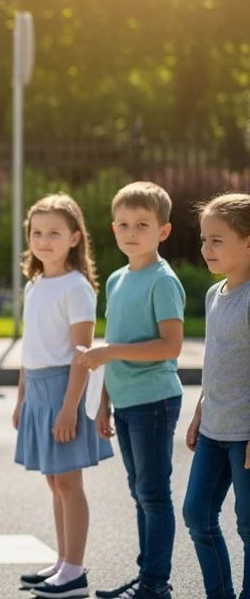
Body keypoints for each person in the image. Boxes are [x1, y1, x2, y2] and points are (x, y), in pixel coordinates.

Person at [74, 181, 187, 599]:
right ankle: (147, 578)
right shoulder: (119, 279)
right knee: (140, 494)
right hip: (125, 401)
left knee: (154, 495)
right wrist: (104, 401)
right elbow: (114, 339)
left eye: (142, 224)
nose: (130, 232)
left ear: (163, 231)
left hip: (155, 401)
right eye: (123, 224)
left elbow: (171, 346)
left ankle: (155, 585)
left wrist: (109, 353)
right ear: (113, 227)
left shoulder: (163, 280)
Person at [12, 193, 114, 598]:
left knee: (69, 483)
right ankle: (63, 561)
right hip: (37, 389)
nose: (43, 240)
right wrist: (21, 398)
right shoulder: (36, 284)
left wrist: (70, 407)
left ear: (74, 237)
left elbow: (82, 354)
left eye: (54, 233)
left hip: (63, 390)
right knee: (54, 482)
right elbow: (29, 348)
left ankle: (75, 571)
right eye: (37, 232)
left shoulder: (76, 287)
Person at [182, 192, 250, 599]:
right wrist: (199, 411)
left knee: (248, 524)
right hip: (213, 428)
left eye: (217, 240)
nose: (206, 248)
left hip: (244, 433)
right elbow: (216, 361)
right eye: (204, 239)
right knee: (196, 514)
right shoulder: (214, 295)